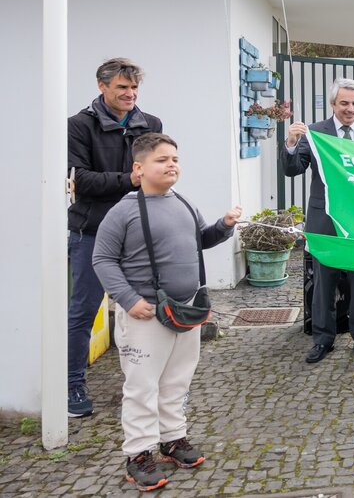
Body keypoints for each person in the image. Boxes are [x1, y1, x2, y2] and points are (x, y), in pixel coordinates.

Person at [92, 133, 240, 491]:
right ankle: (138, 454)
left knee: (177, 380)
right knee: (142, 386)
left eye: (174, 158)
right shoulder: (123, 211)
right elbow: (103, 259)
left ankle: (172, 439)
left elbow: (200, 240)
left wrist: (223, 226)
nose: (171, 164)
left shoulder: (184, 203)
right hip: (144, 315)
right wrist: (128, 299)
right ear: (139, 168)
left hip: (186, 310)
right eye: (161, 159)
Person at [67, 58, 163, 418]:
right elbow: (80, 181)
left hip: (139, 230)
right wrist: (130, 180)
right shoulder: (78, 126)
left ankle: (147, 382)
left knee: (145, 307)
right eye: (122, 87)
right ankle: (72, 385)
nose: (130, 93)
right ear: (102, 86)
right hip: (92, 231)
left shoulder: (150, 124)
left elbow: (157, 171)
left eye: (134, 87)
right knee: (84, 311)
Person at [283, 78, 354, 362]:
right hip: (324, 219)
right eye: (344, 103)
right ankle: (323, 339)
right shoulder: (315, 132)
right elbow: (293, 169)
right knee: (324, 282)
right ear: (332, 104)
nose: (350, 109)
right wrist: (291, 143)